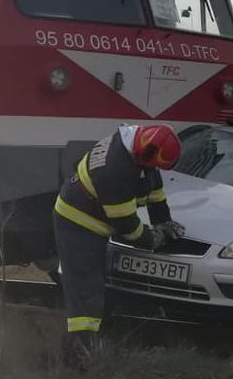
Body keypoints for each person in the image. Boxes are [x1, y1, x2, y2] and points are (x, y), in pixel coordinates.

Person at [53, 124, 186, 368]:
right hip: (77, 225)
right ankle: (77, 359)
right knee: (86, 293)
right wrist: (152, 239)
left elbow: (153, 186)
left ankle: (92, 345)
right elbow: (127, 226)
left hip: (94, 220)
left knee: (96, 290)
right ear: (142, 155)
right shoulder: (113, 169)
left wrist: (163, 220)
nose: (154, 169)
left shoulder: (138, 144)